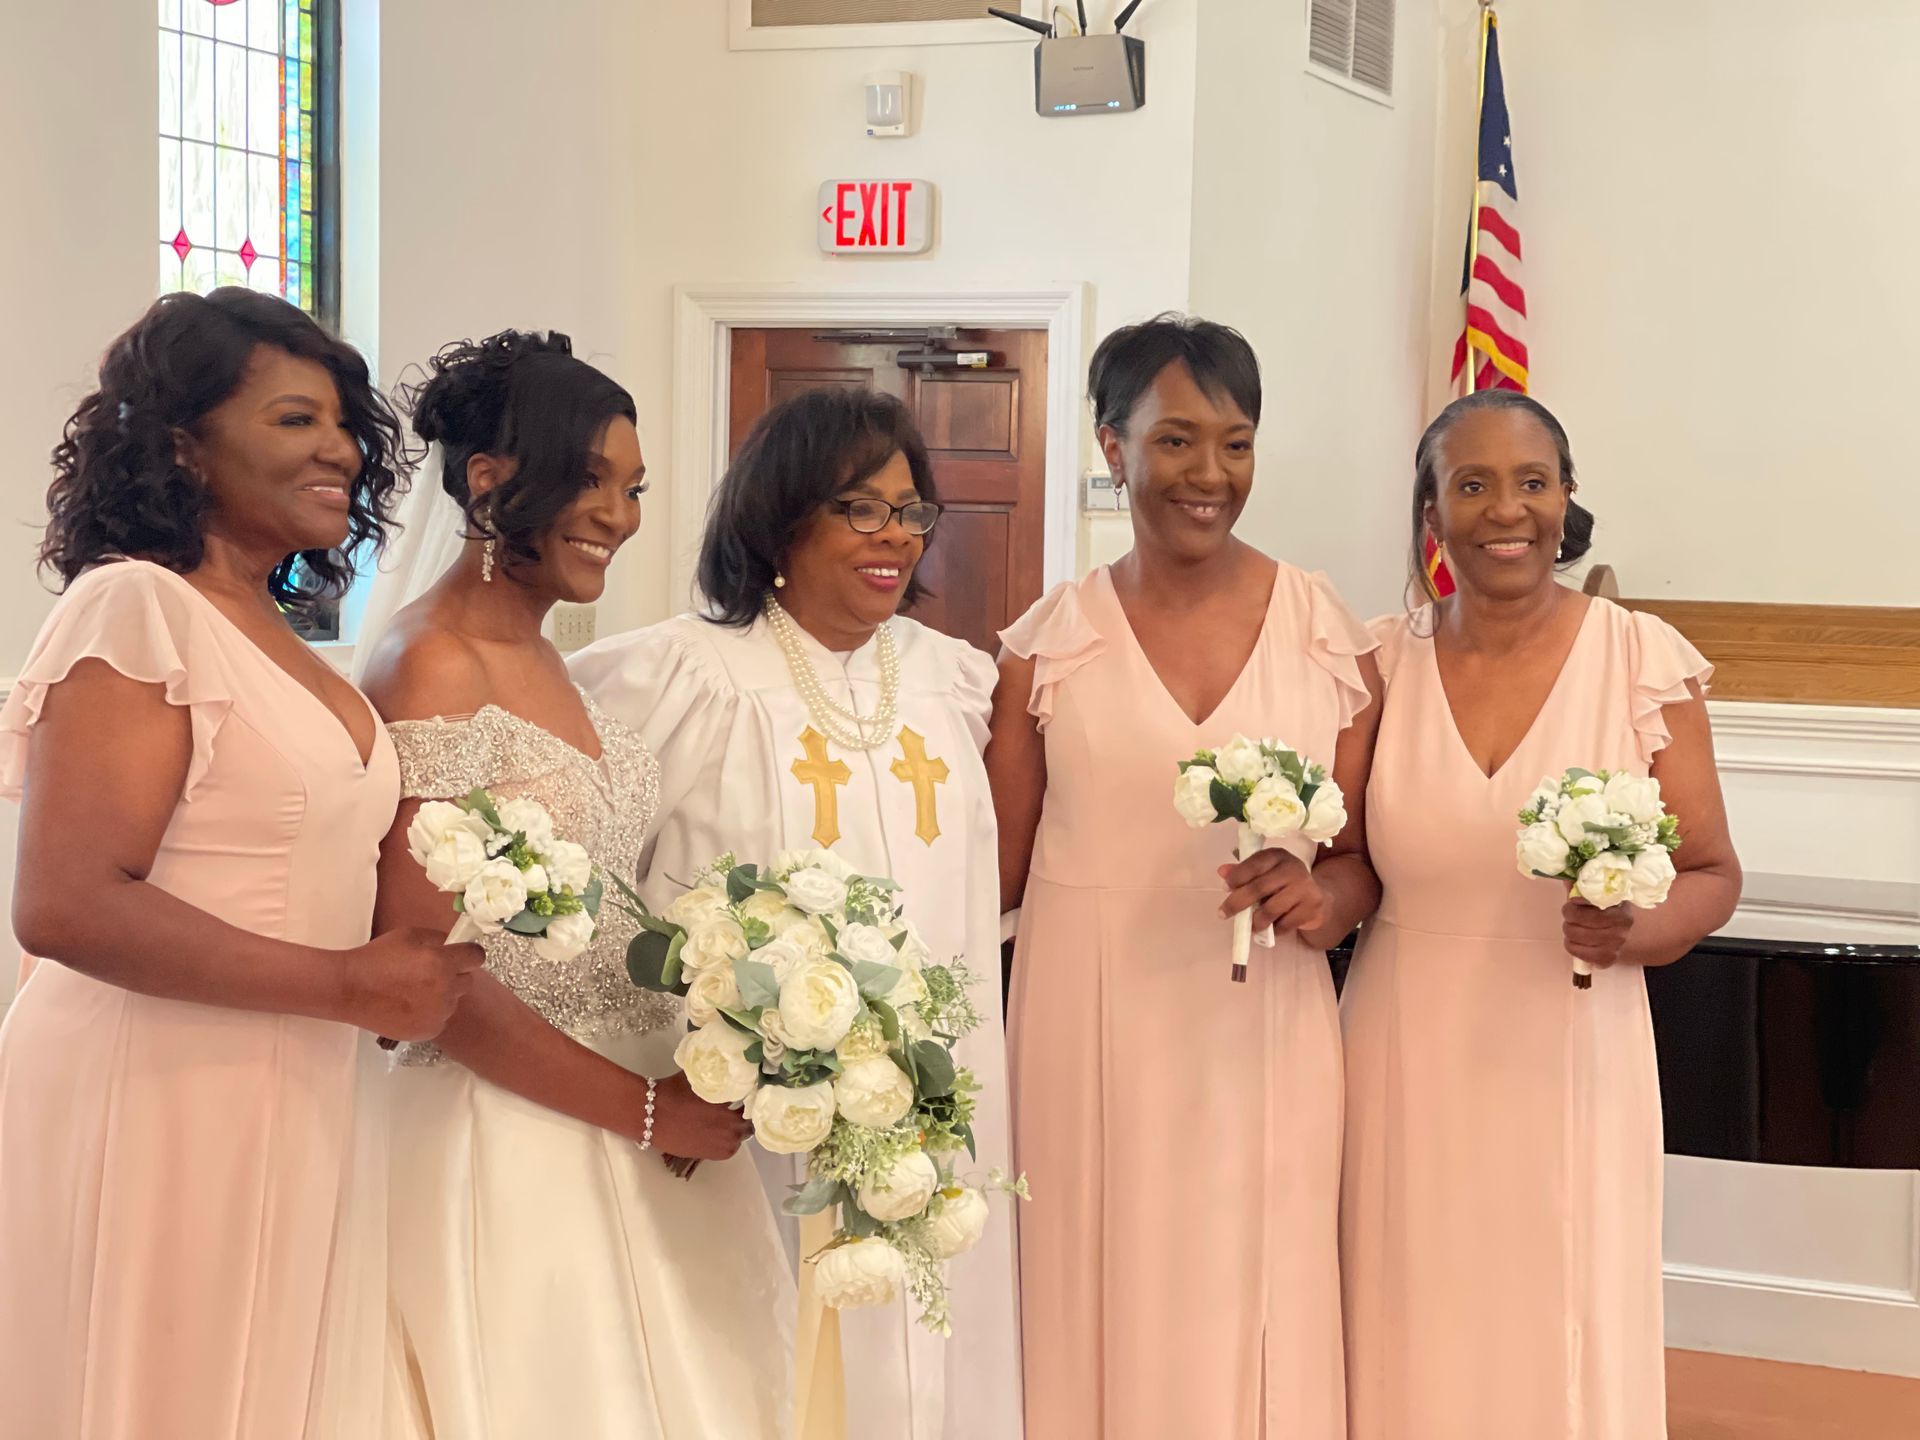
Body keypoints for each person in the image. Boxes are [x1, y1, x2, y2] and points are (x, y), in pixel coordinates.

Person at [0, 288, 480, 1439]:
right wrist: (345, 986)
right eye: (294, 419)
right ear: (182, 444)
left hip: (294, 1079)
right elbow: (64, 905)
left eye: (345, 424)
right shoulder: (135, 607)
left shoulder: (285, 633)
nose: (341, 450)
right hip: (158, 1081)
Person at [355, 330, 792, 1439]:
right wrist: (648, 1115)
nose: (618, 513)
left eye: (632, 487)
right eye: (591, 479)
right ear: (492, 480)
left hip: (640, 1103)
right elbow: (426, 987)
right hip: (517, 1135)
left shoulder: (550, 655)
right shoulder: (434, 663)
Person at [570, 385, 1024, 1440]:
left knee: (928, 1343)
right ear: (777, 515)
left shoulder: (952, 682)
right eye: (859, 509)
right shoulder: (678, 675)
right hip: (751, 1119)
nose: (894, 538)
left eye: (910, 512)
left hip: (931, 1104)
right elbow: (588, 881)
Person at [986, 314, 1382, 1439]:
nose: (1209, 474)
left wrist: (1327, 896)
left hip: (1262, 1026)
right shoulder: (1043, 648)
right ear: (1111, 447)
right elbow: (996, 874)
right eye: (1176, 441)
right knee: (1093, 1274)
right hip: (1088, 1019)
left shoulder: (1328, 635)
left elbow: (1363, 857)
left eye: (1237, 443)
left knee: (1259, 1276)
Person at [1339, 389, 1742, 1440]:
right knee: (1406, 1304)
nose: (1503, 509)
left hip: (1570, 1046)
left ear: (1567, 500)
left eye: (1531, 482)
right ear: (1430, 513)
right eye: (1470, 485)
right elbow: (1348, 863)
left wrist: (1635, 933)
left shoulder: (1640, 658)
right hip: (1403, 1047)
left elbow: (1710, 871)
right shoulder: (1380, 663)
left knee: (1556, 1305)